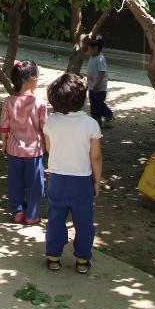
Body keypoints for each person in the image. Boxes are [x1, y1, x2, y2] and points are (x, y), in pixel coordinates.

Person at [43, 73, 102, 274]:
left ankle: (53, 256)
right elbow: (95, 157)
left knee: (55, 218)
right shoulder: (91, 124)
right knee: (84, 221)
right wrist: (97, 181)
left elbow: (49, 148)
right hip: (82, 180)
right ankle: (83, 259)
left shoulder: (51, 121)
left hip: (58, 178)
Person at [0, 60, 47, 225]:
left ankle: (17, 210)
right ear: (34, 80)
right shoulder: (40, 103)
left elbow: (4, 126)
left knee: (15, 182)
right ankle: (32, 215)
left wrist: (4, 143)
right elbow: (44, 128)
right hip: (34, 152)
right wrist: (48, 146)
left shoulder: (9, 101)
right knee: (35, 184)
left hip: (13, 150)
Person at [86, 36, 115, 128]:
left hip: (99, 87)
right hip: (91, 86)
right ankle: (96, 119)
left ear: (96, 48)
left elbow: (102, 72)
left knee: (99, 103)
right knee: (93, 103)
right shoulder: (92, 58)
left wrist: (97, 84)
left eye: (89, 47)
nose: (87, 49)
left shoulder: (100, 59)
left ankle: (109, 115)